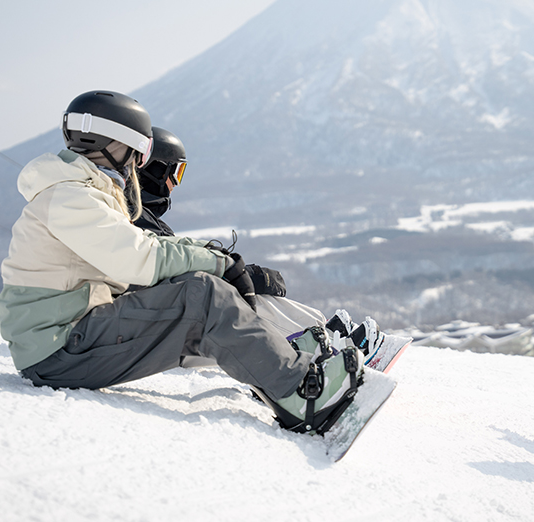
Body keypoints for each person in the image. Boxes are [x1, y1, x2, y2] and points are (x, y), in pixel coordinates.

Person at [0, 90, 362, 434]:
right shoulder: (70, 198)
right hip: (59, 350)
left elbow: (146, 245)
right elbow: (141, 258)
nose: (138, 164)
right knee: (201, 297)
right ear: (118, 145)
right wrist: (218, 264)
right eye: (138, 151)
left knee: (194, 289)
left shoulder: (79, 193)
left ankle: (285, 366)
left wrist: (214, 258)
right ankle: (302, 394)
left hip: (65, 340)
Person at [133, 125, 387, 359]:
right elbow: (177, 274)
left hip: (167, 327)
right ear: (154, 171)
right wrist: (243, 277)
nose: (176, 183)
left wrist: (241, 272)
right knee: (236, 297)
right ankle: (331, 349)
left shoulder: (140, 215)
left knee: (237, 292)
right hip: (162, 331)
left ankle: (326, 335)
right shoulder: (136, 217)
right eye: (176, 172)